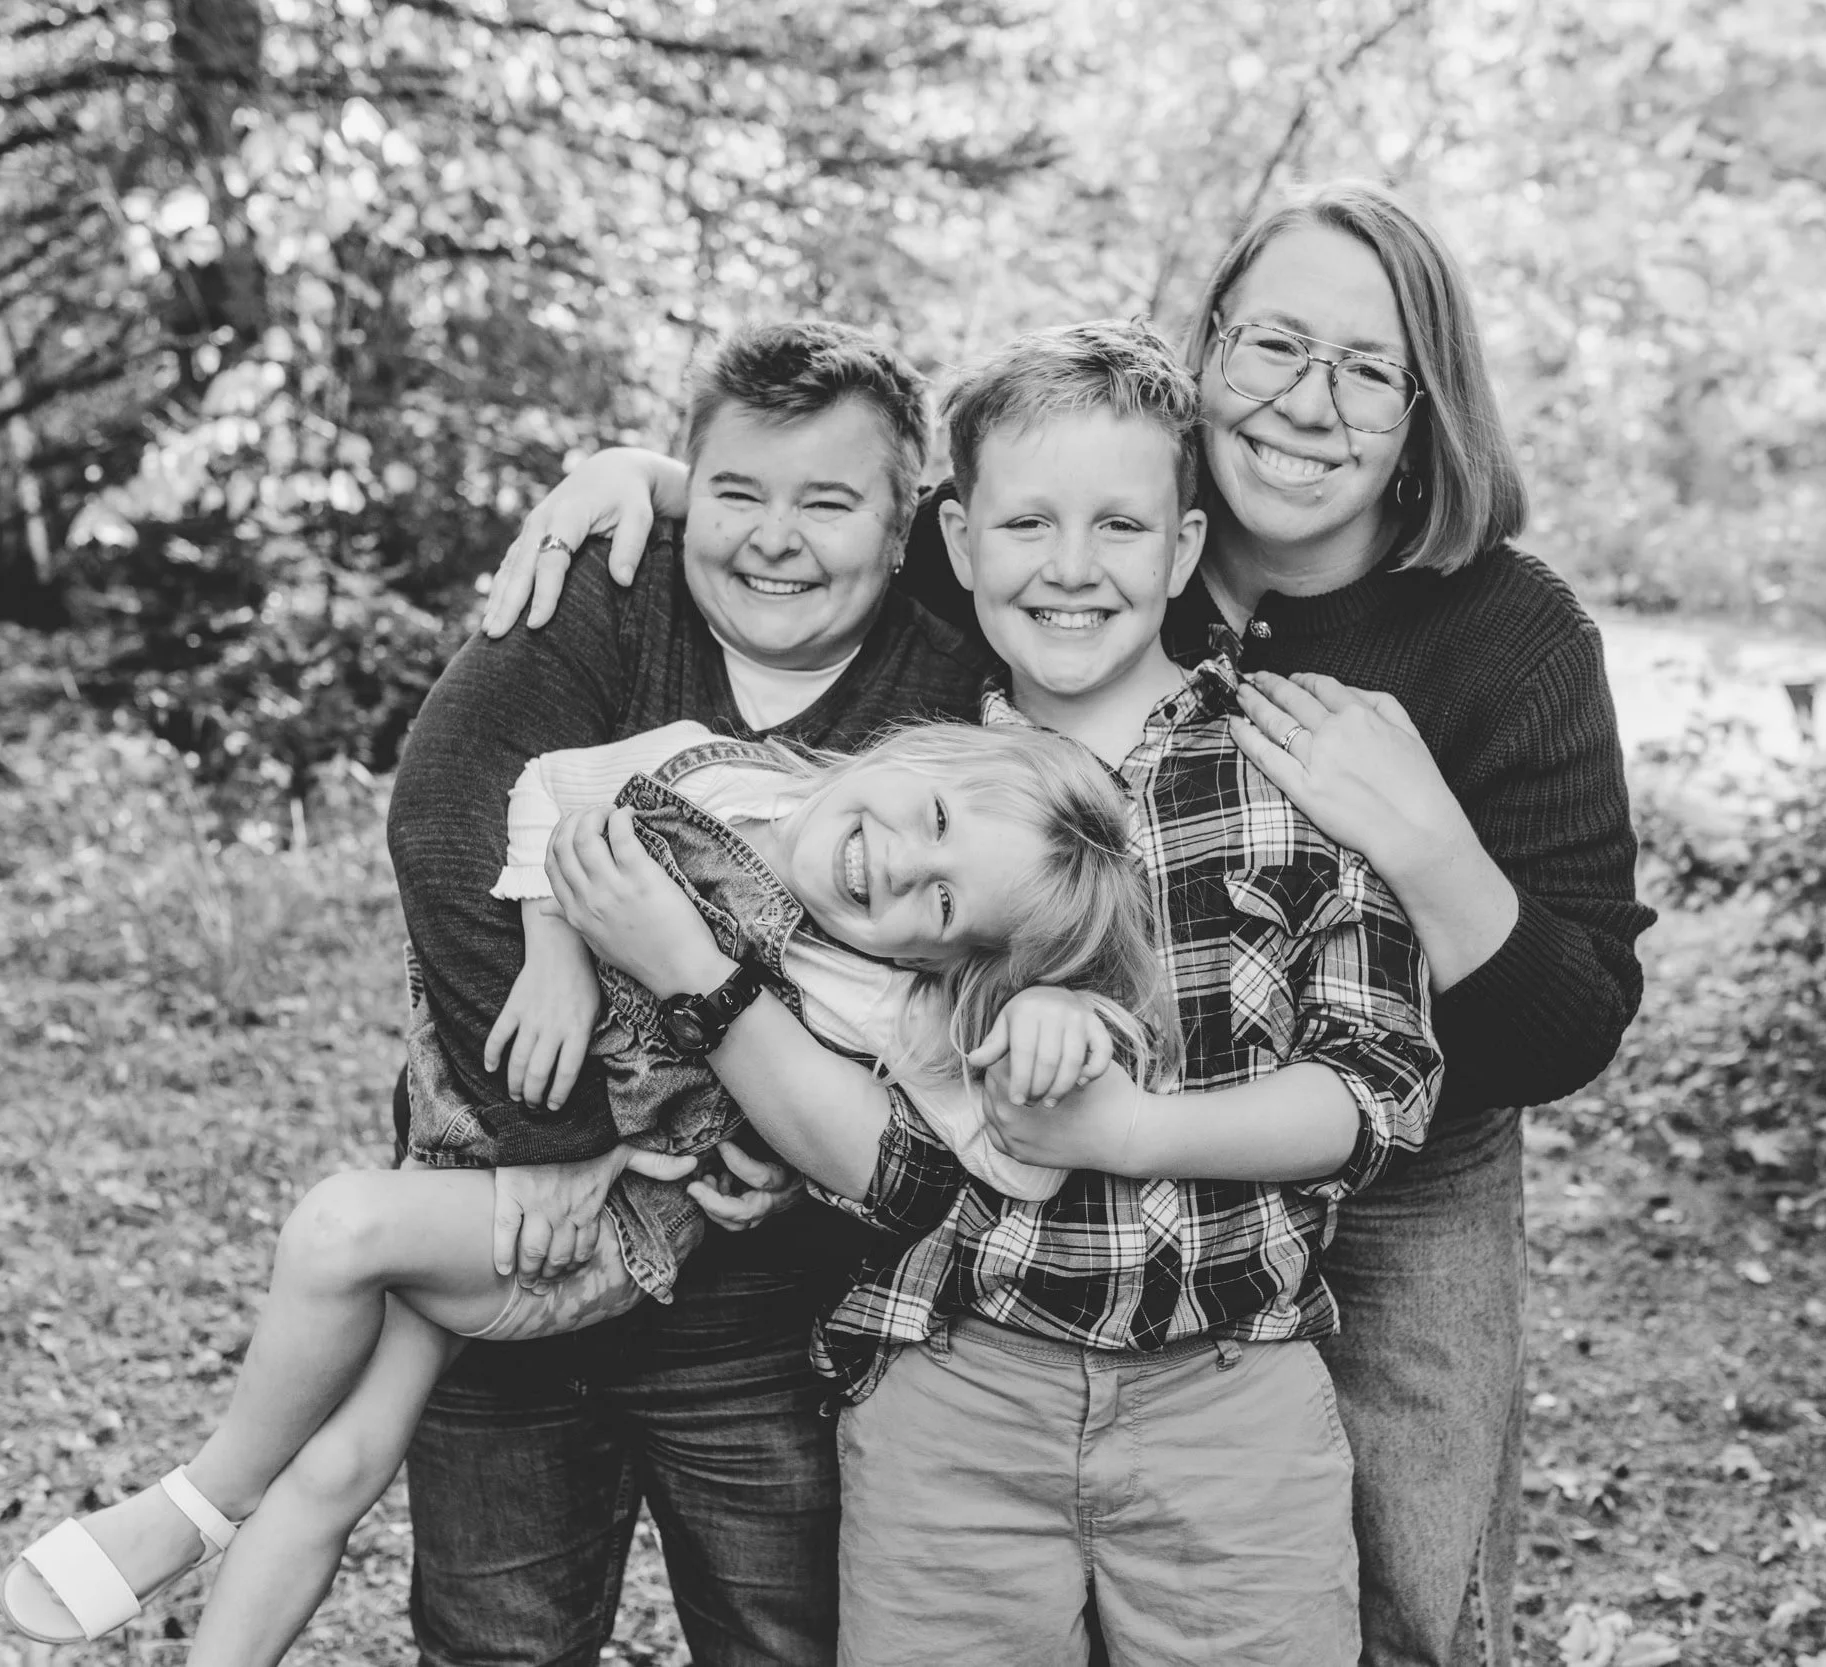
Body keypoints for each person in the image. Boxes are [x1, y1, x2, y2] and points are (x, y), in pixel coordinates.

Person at [490, 182, 1657, 1667]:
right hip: (990, 1304)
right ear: (1208, 351)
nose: (1309, 402)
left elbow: (1532, 1032)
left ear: (1428, 405)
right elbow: (847, 504)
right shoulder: (1013, 621)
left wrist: (1425, 844)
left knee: (1399, 1576)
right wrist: (655, 474)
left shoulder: (1490, 643)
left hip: (1383, 1159)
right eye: (1274, 346)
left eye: (1367, 368)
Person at [547, 318, 1442, 1665]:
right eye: (1026, 524)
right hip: (955, 1377)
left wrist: (1132, 1127)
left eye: (1121, 528)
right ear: (959, 545)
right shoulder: (899, 772)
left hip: (1229, 1393)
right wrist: (632, 469)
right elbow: (847, 1091)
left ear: (1185, 550)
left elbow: (1382, 1081)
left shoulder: (1290, 769)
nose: (1071, 568)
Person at [0, 719, 1168, 1661]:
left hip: (609, 1232)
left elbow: (1014, 1156)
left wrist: (1053, 1014)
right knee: (344, 1462)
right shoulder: (712, 765)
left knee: (337, 1228)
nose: (900, 863)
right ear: (912, 750)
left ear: (943, 963)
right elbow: (551, 784)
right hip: (471, 1154)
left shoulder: (894, 1002)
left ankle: (197, 1498)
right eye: (936, 816)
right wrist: (555, 951)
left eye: (945, 904)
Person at [389, 319, 993, 1666]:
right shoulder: (610, 586)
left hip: (768, 1284)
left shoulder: (955, 674)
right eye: (734, 494)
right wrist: (565, 1151)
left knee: (783, 1632)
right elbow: (446, 821)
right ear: (688, 488)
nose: (774, 539)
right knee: (494, 1632)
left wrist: (739, 1141)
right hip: (518, 1220)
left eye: (829, 504)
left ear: (906, 527)